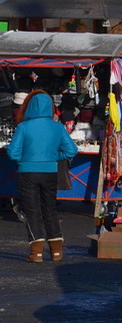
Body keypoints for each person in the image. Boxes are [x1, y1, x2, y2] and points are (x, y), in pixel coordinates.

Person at [8, 91, 79, 262]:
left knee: (32, 211)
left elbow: (12, 153)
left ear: (29, 106)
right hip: (50, 172)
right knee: (50, 210)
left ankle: (36, 253)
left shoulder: (24, 127)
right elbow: (72, 150)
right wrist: (54, 157)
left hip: (27, 173)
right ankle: (56, 252)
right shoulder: (57, 127)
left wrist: (23, 159)